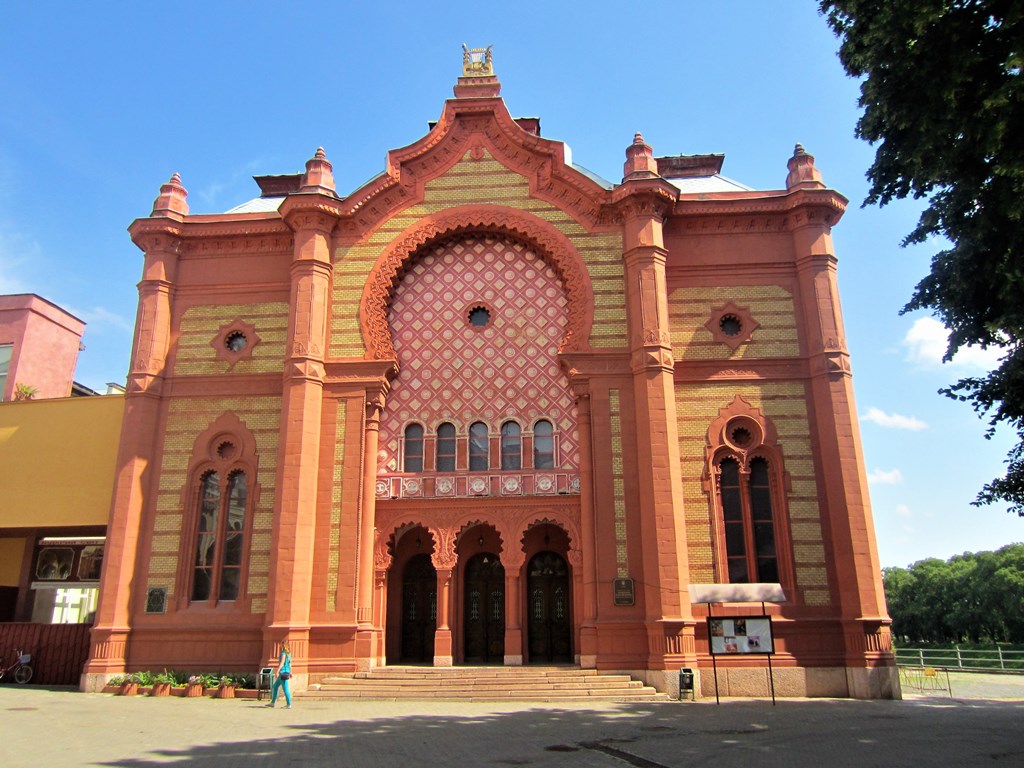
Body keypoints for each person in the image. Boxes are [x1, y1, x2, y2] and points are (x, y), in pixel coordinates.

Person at [267, 641, 292, 709]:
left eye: (281, 644)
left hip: (282, 673)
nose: (280, 645)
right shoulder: (289, 654)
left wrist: (277, 671)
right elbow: (290, 664)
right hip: (286, 672)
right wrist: (290, 672)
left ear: (283, 645)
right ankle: (272, 702)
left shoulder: (283, 653)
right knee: (275, 686)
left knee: (286, 689)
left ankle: (289, 704)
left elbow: (282, 662)